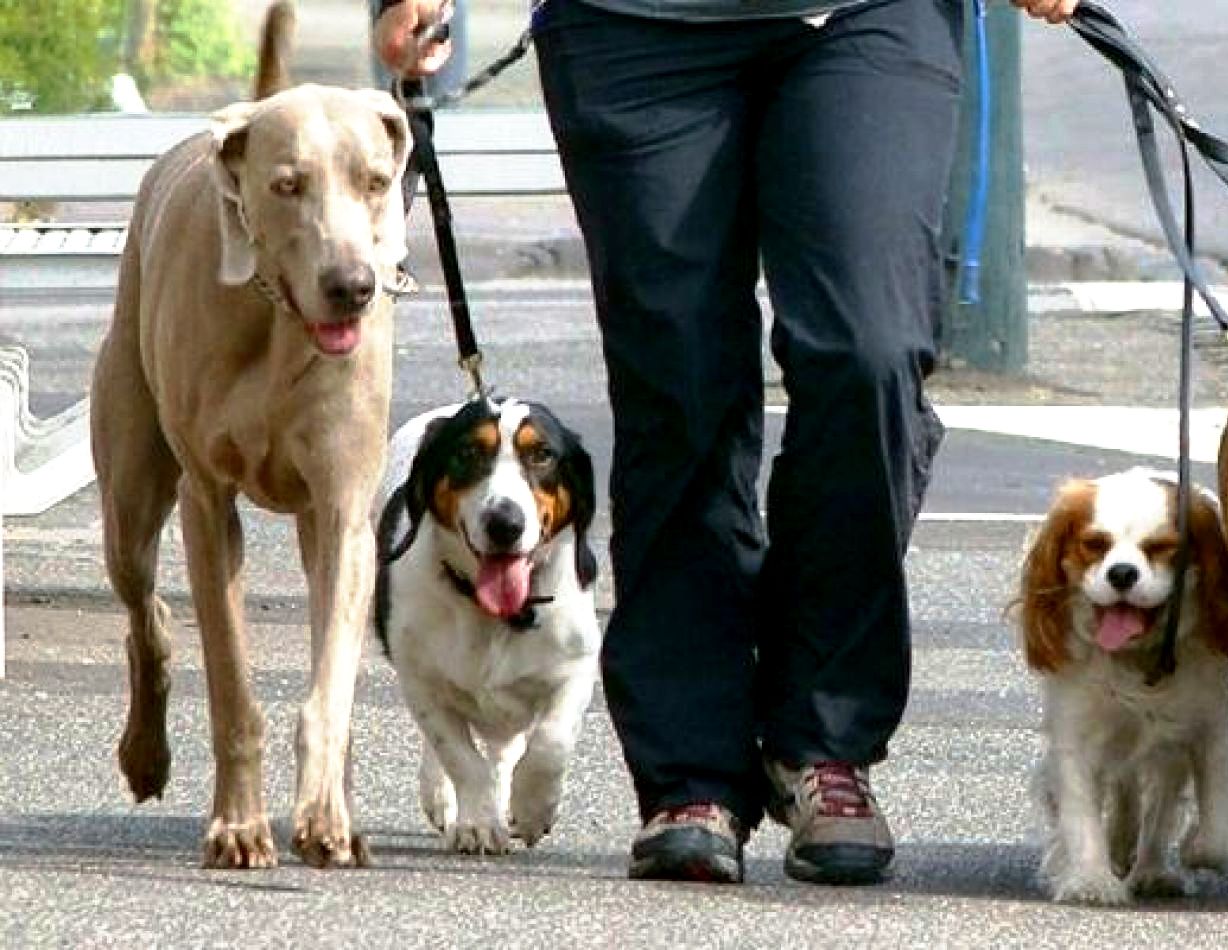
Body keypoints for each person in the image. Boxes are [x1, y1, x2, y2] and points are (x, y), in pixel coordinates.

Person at [375, 0, 1079, 886]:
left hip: (865, 18)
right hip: (630, 26)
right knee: (678, 382)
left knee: (870, 352)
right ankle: (692, 772)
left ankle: (824, 744)